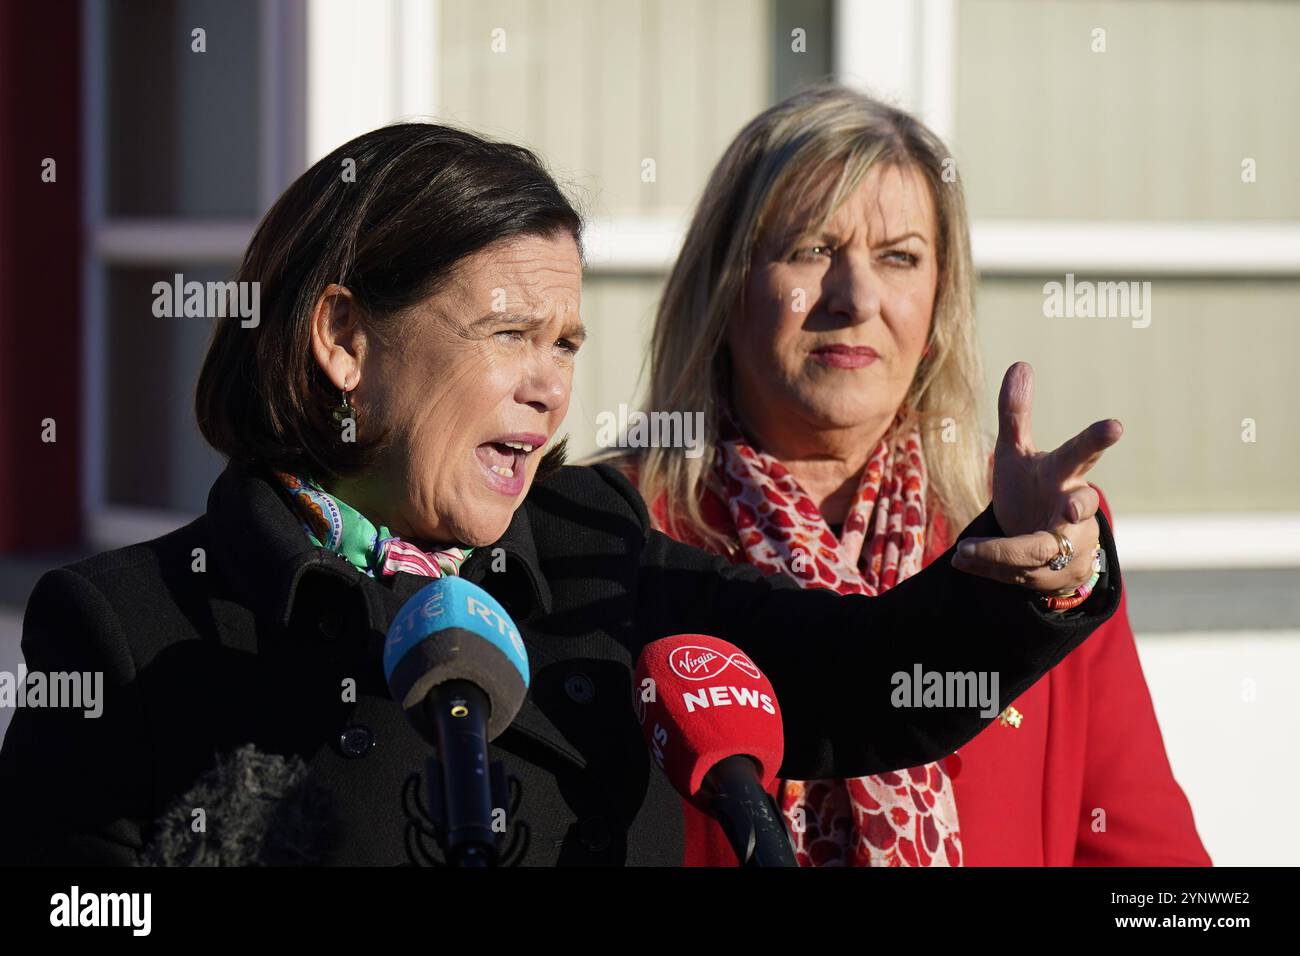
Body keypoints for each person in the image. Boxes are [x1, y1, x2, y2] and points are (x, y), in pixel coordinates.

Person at [0, 123, 1122, 866]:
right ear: (345, 338)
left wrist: (1017, 564)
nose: (549, 384)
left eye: (569, 341)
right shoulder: (126, 627)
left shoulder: (593, 542)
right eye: (508, 333)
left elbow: (850, 673)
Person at [610, 85, 1208, 866]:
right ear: (728, 287)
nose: (855, 298)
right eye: (811, 249)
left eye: (899, 258)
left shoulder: (1040, 543)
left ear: (937, 305)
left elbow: (1154, 869)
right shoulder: (615, 531)